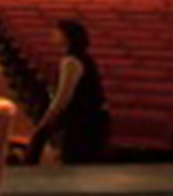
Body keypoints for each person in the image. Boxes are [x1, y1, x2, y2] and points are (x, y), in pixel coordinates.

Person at [24, 19, 111, 165]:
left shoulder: (71, 61)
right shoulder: (82, 57)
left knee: (76, 162)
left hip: (84, 121)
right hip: (91, 117)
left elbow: (63, 97)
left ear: (67, 37)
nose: (53, 34)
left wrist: (46, 120)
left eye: (57, 32)